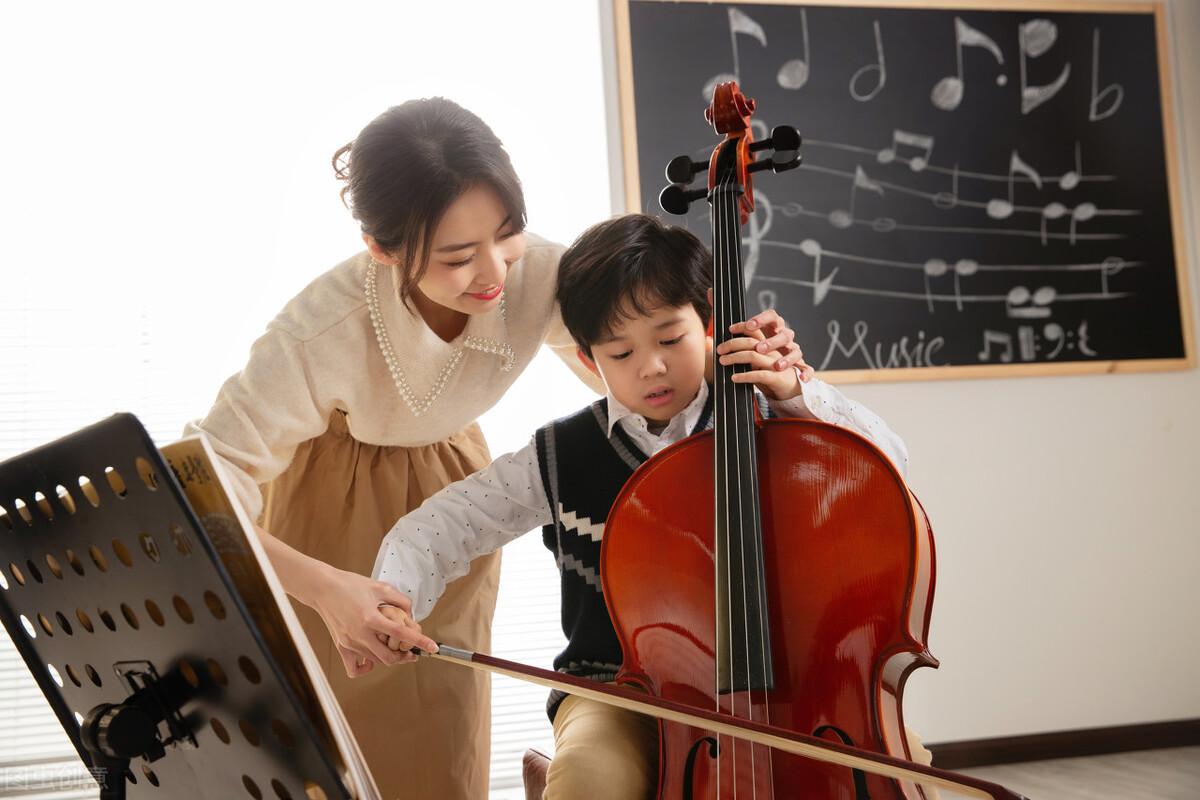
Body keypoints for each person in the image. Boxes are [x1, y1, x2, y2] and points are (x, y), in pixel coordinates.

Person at [186, 100, 805, 800]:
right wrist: (327, 589)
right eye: (456, 256)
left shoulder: (539, 270)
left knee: (440, 742)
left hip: (446, 475)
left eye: (506, 233)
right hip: (315, 511)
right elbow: (199, 491)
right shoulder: (317, 331)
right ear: (382, 249)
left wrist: (768, 378)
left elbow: (639, 367)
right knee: (318, 754)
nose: (494, 272)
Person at [372, 214, 930, 799]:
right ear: (589, 359)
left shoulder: (778, 416)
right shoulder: (562, 454)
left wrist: (797, 394)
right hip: (617, 692)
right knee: (591, 777)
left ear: (710, 323)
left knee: (902, 762)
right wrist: (394, 595)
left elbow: (888, 468)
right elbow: (446, 524)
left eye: (670, 338)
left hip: (790, 691)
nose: (651, 366)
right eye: (620, 352)